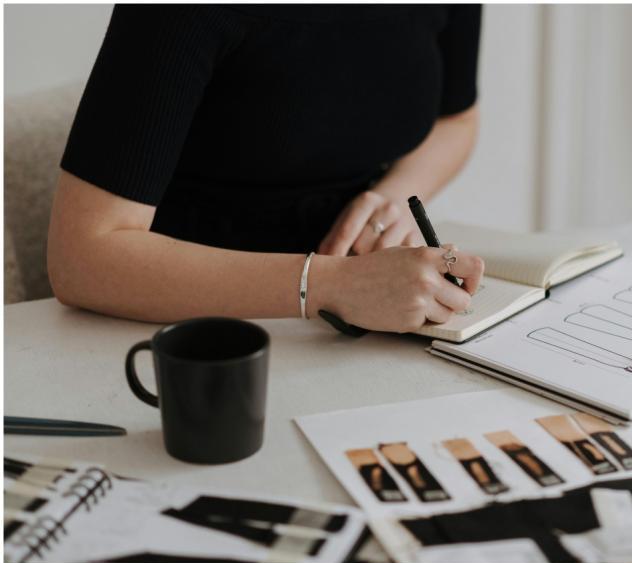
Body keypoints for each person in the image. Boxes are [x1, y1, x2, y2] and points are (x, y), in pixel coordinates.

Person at [46, 5, 485, 333]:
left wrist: (395, 196)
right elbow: (81, 257)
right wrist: (334, 286)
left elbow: (456, 119)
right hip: (185, 326)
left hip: (364, 308)